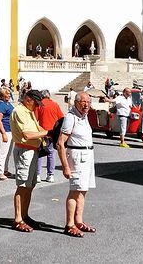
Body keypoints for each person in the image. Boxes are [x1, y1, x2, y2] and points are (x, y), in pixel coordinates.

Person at [57, 91, 96, 238]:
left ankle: (78, 221)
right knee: (74, 190)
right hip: (77, 157)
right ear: (76, 102)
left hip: (87, 156)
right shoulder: (70, 117)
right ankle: (69, 224)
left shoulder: (84, 117)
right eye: (83, 102)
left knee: (83, 190)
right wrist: (65, 166)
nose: (86, 105)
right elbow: (60, 143)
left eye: (88, 102)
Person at [10, 89, 48, 232]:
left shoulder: (29, 111)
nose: (37, 106)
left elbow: (38, 128)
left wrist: (47, 132)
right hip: (24, 150)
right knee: (23, 185)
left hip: (32, 151)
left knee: (30, 185)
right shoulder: (20, 111)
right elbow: (27, 134)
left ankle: (25, 216)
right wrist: (47, 133)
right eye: (36, 103)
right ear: (28, 99)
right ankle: (18, 219)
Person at [35, 90, 64, 183]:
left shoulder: (40, 105)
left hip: (42, 132)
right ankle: (50, 175)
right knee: (51, 154)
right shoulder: (55, 104)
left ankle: (37, 174)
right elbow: (61, 118)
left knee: (40, 153)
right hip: (52, 133)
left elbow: (35, 119)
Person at [0, 87, 15, 180]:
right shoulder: (0, 105)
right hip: (4, 129)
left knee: (8, 152)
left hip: (10, 130)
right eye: (7, 95)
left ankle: (5, 170)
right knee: (2, 151)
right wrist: (3, 133)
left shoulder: (7, 103)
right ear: (2, 95)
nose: (9, 96)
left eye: (9, 95)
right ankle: (0, 172)